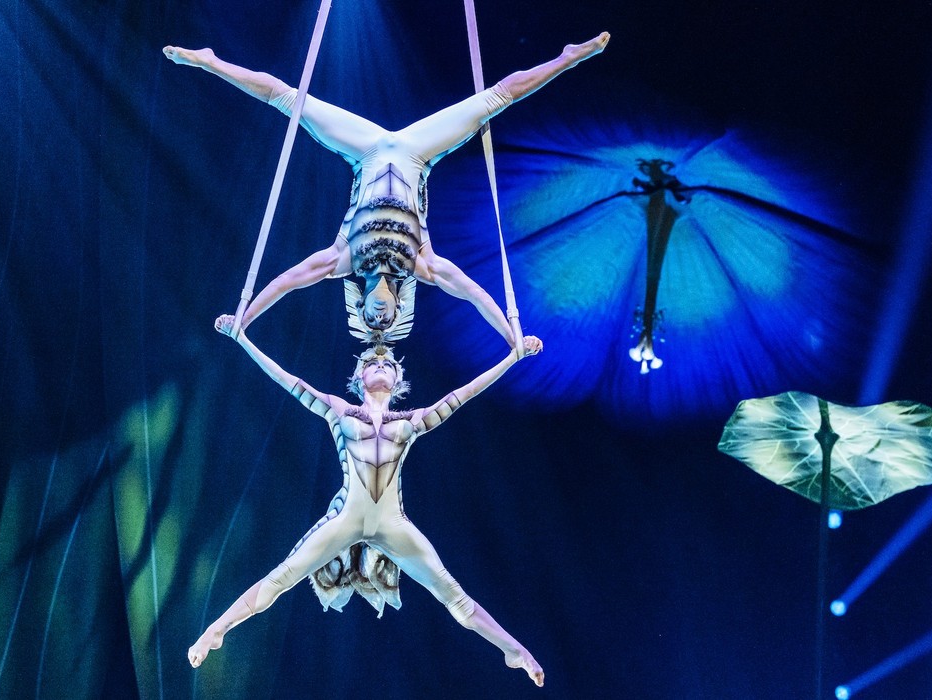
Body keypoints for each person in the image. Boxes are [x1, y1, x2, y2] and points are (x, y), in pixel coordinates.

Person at [164, 33, 609, 346]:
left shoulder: (343, 260)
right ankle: (567, 58)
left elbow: (287, 283)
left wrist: (244, 317)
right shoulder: (423, 264)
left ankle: (209, 60)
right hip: (417, 153)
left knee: (286, 97)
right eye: (387, 322)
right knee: (494, 100)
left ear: (359, 308)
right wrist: (513, 334)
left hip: (366, 152)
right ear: (397, 309)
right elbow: (475, 294)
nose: (378, 320)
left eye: (369, 321)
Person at [189, 314, 547, 686]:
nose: (379, 366)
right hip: (346, 517)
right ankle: (216, 630)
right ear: (359, 378)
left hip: (393, 524)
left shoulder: (411, 420)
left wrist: (512, 358)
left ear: (397, 380)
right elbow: (287, 380)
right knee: (282, 577)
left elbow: (465, 393)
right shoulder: (338, 410)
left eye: (387, 364)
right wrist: (243, 340)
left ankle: (514, 650)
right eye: (372, 363)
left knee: (452, 593)